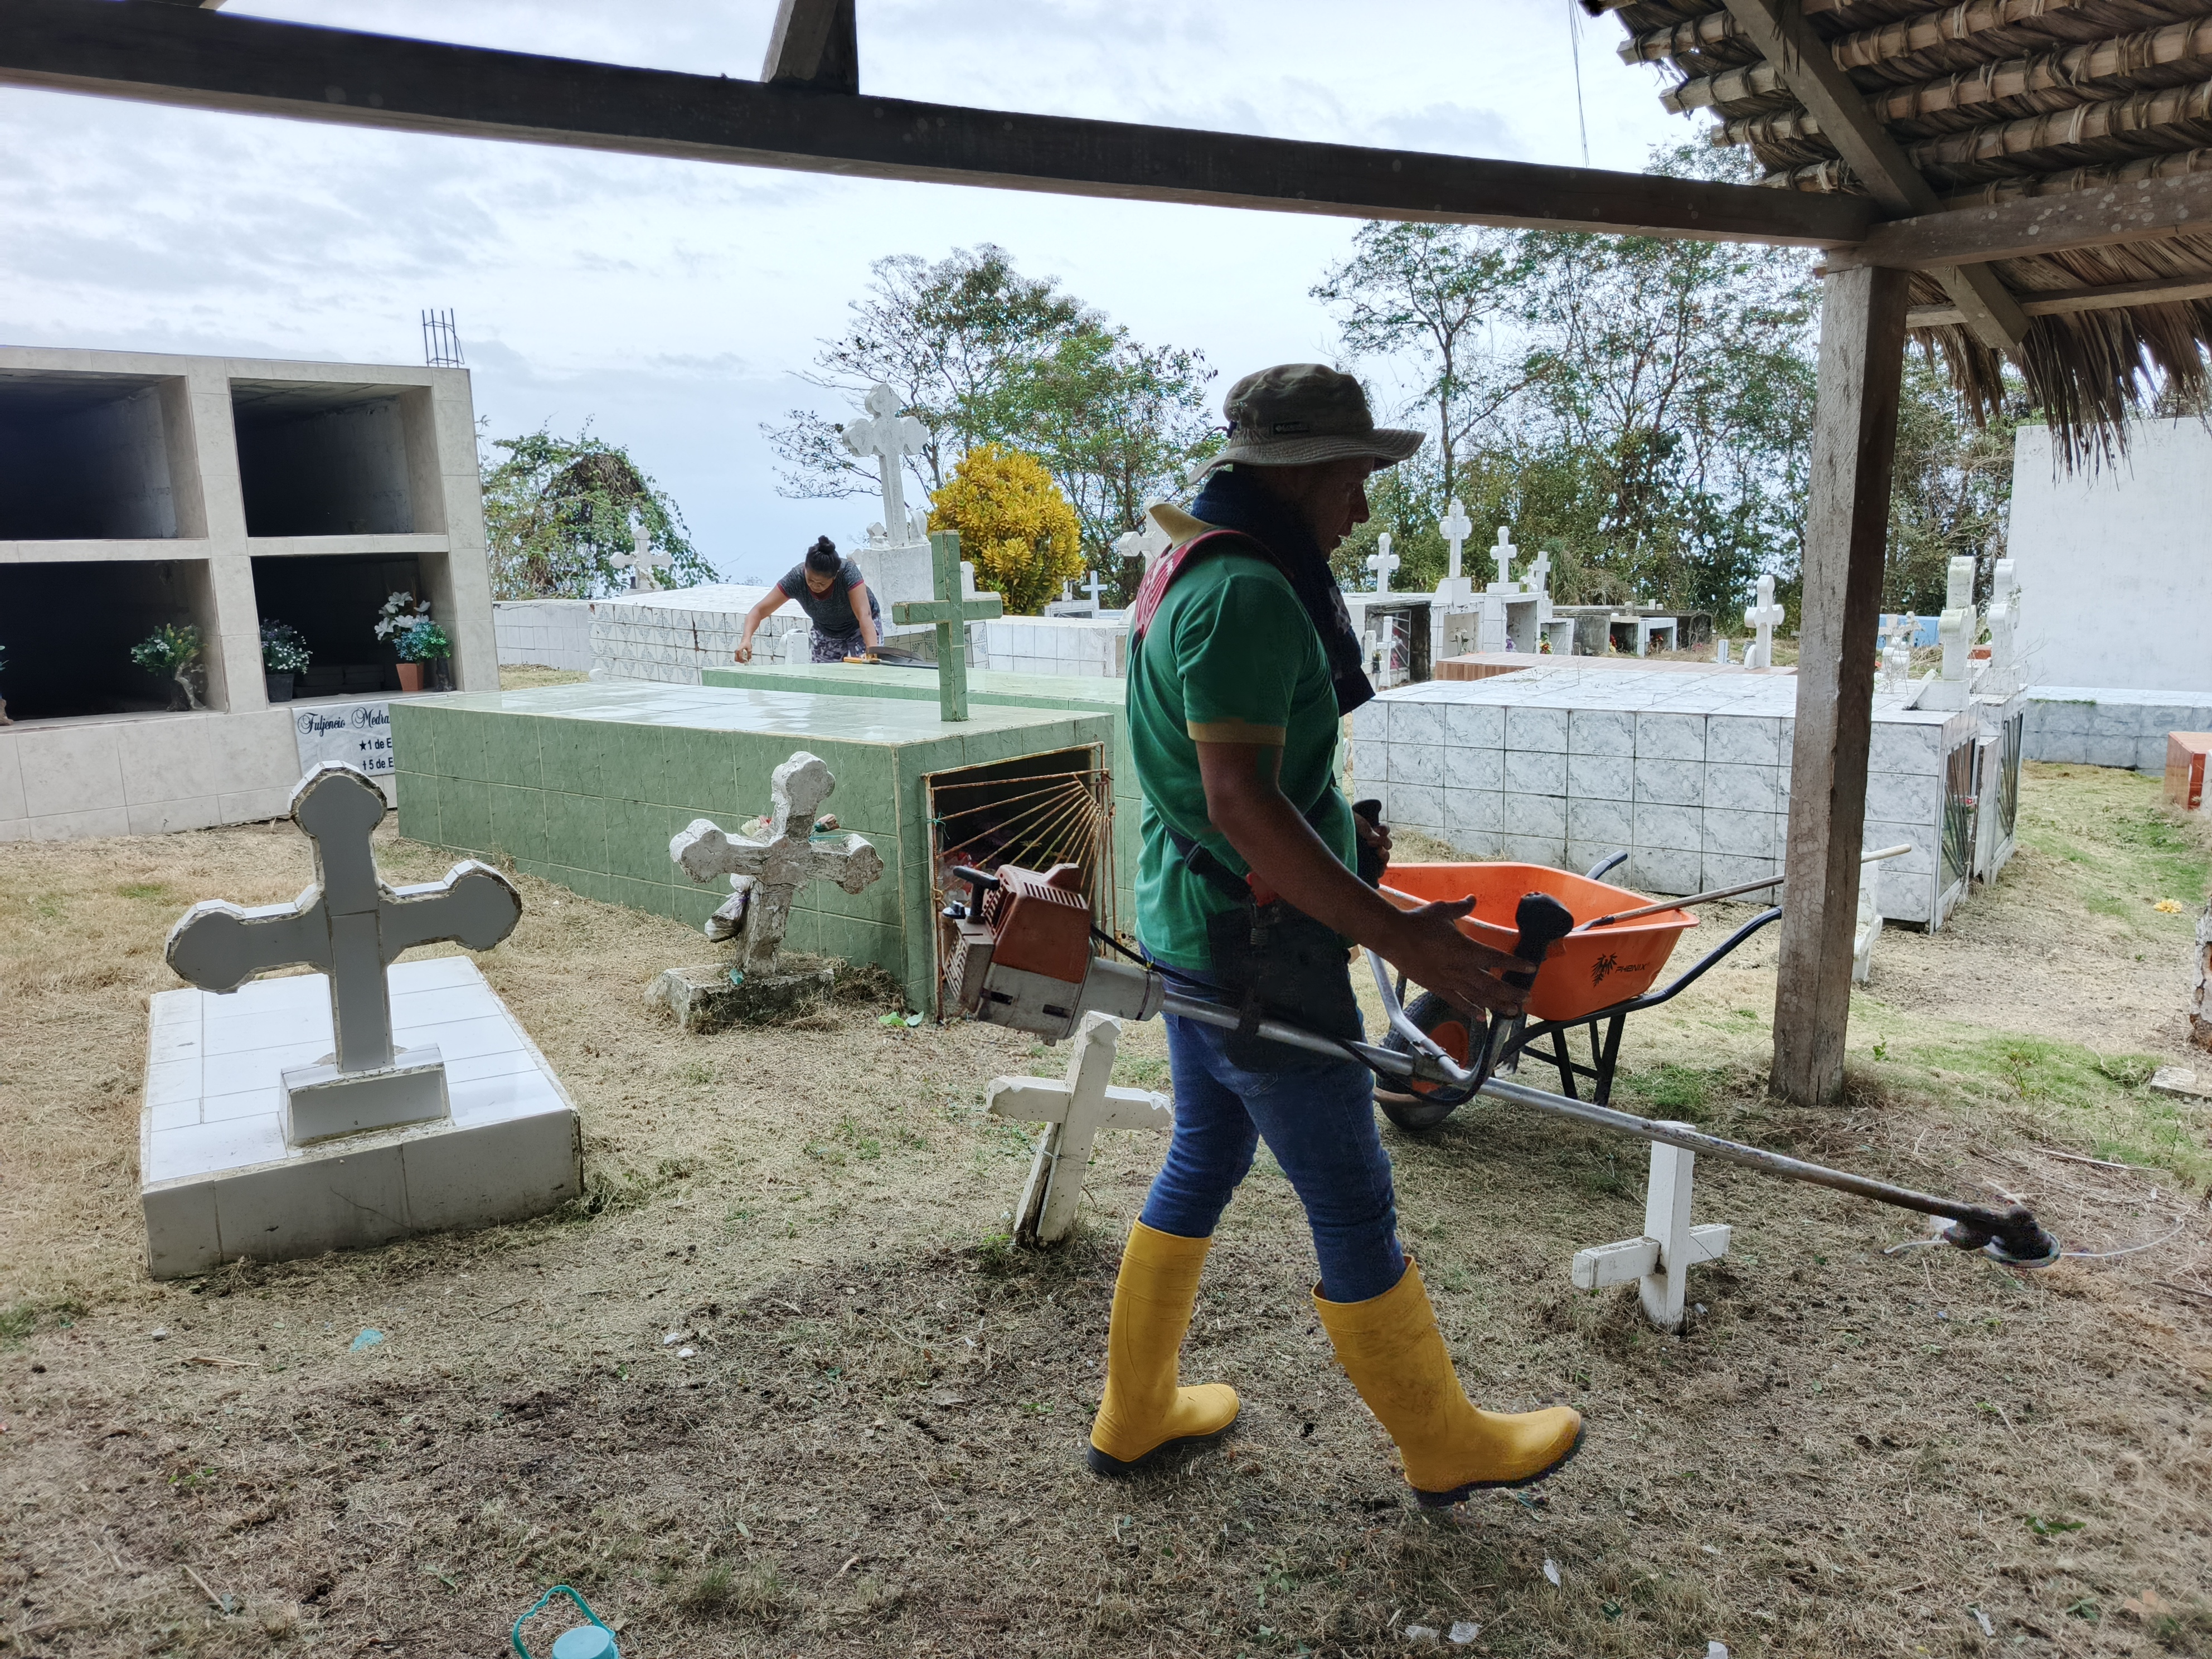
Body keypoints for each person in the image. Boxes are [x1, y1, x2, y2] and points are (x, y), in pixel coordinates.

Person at [1088, 363, 1584, 1507]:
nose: (1361, 506)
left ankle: (1136, 1408)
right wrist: (1399, 935)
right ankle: (1441, 1442)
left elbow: (1235, 785)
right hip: (1258, 944)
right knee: (1352, 1197)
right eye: (1354, 477)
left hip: (1197, 920)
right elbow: (1240, 804)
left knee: (1204, 1155)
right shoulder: (1250, 594)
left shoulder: (1191, 563)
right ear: (1299, 472)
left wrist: (1335, 835)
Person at [734, 536, 882, 665]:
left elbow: (864, 615)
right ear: (805, 568)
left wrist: (871, 652)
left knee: (867, 669)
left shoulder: (848, 573)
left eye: (822, 583)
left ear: (835, 576)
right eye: (811, 580)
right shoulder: (795, 579)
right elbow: (759, 611)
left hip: (860, 626)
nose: (815, 586)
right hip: (826, 630)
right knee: (824, 679)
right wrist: (746, 640)